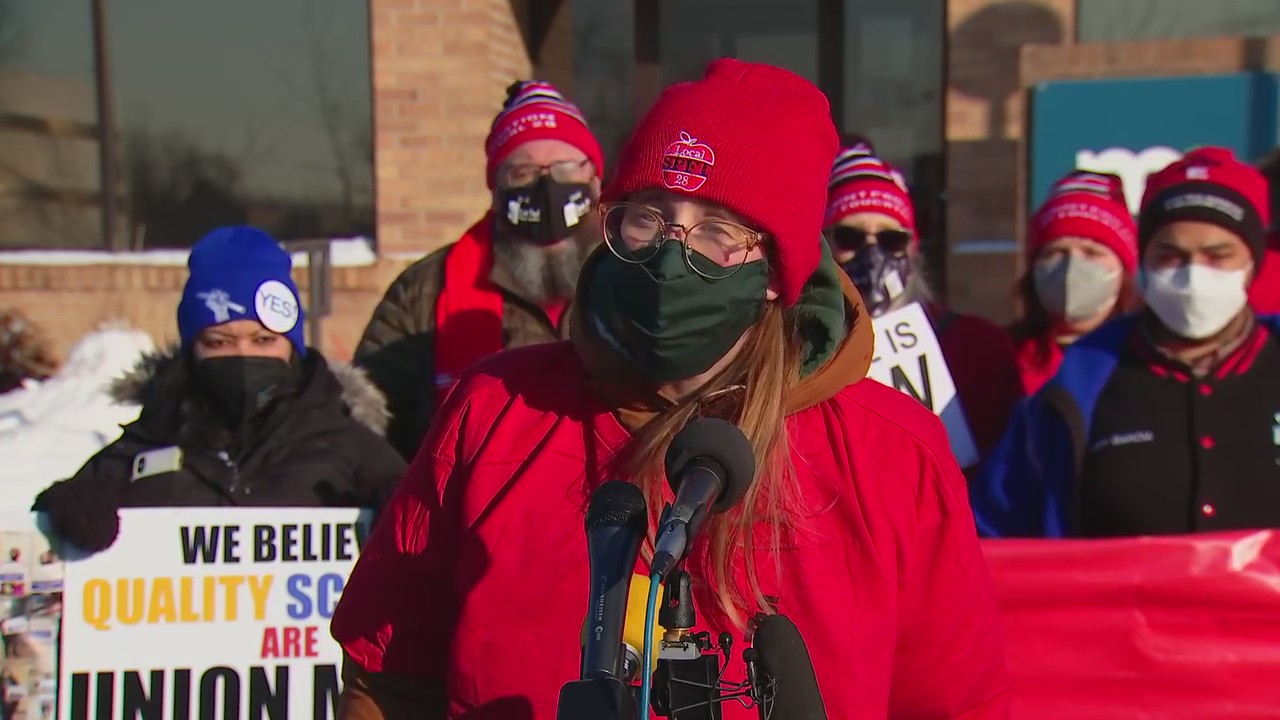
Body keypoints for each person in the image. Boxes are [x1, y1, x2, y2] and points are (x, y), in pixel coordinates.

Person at [331, 59, 1009, 720]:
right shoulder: (494, 413)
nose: (671, 254)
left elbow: (952, 704)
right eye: (648, 216)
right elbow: (387, 684)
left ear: (779, 272)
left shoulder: (894, 454)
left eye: (716, 230)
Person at [33, 226, 405, 554]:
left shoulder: (352, 451)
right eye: (219, 342)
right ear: (192, 349)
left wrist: (411, 510)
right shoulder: (144, 446)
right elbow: (42, 539)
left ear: (292, 347)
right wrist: (66, 505)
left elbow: (425, 532)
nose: (243, 355)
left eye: (263, 340)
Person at [973, 147, 1280, 538]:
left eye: (1217, 256)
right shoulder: (1075, 390)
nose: (1192, 274)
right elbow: (993, 533)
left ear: (1251, 263)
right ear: (1144, 260)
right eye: (1170, 255)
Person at [354, 80, 605, 459]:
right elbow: (365, 427)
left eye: (566, 168)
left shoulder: (633, 275)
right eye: (523, 171)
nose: (547, 186)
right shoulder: (425, 290)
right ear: (496, 187)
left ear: (595, 179)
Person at [824, 142, 1023, 469]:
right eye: (850, 237)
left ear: (913, 248)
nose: (873, 256)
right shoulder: (797, 350)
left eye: (892, 240)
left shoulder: (976, 346)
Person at [1009, 170, 1142, 394]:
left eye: (1091, 253)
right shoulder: (1000, 358)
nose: (1072, 267)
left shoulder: (1146, 360)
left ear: (1123, 271)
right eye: (1055, 252)